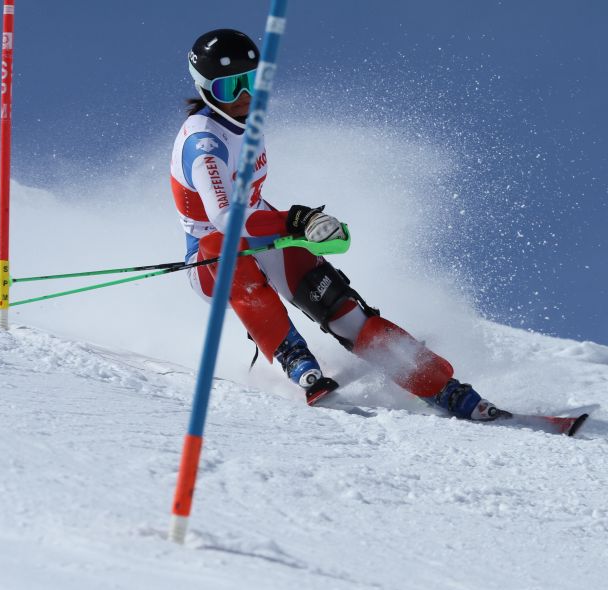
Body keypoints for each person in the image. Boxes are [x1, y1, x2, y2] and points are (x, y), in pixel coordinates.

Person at [169, 28, 502, 421]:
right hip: (212, 260)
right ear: (205, 89)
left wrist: (302, 227)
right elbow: (225, 218)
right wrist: (296, 219)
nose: (244, 95)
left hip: (260, 230)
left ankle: (441, 386)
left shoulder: (247, 120)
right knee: (229, 250)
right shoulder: (204, 145)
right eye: (229, 87)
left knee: (331, 300)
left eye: (252, 81)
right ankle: (295, 359)